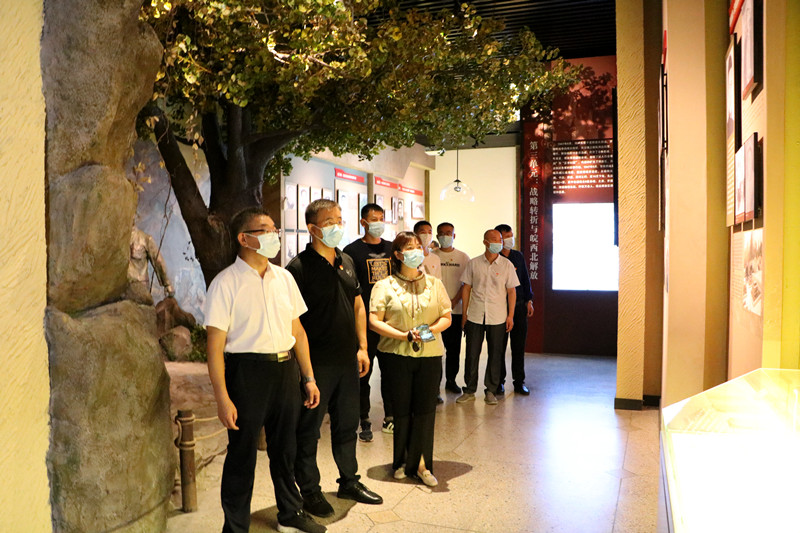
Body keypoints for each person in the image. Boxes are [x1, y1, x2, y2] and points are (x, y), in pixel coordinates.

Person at [204, 207, 324, 533]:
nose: (274, 235)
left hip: (284, 370)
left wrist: (309, 377)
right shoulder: (225, 283)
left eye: (275, 229)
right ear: (244, 239)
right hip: (246, 373)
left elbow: (298, 332)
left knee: (285, 448)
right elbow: (214, 346)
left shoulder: (284, 278)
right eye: (265, 230)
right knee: (242, 454)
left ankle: (290, 512)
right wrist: (222, 398)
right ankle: (235, 526)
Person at [287, 199, 383, 520]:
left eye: (340, 220)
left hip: (347, 361)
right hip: (316, 364)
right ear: (313, 228)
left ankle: (349, 481)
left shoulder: (346, 260)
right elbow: (293, 324)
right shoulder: (298, 269)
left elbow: (358, 304)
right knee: (309, 430)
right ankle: (310, 491)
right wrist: (306, 374)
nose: (337, 226)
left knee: (347, 424)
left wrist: (362, 347)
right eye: (330, 221)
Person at [369, 232, 452, 486]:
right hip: (396, 356)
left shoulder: (435, 284)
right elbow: (374, 321)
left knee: (425, 410)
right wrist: (404, 336)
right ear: (398, 254)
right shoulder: (384, 285)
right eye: (409, 247)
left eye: (418, 246)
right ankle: (402, 462)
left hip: (430, 355)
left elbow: (446, 317)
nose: (416, 251)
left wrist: (424, 333)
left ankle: (423, 465)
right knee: (402, 411)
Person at [342, 203, 395, 441]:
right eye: (374, 219)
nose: (379, 223)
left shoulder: (392, 248)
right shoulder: (352, 251)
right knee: (363, 370)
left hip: (390, 321)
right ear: (363, 222)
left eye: (381, 218)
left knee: (390, 371)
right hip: (364, 321)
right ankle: (363, 417)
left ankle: (390, 415)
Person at [457, 229, 519, 405]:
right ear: (485, 242)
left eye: (500, 240)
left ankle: (491, 390)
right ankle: (469, 390)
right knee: (471, 354)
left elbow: (511, 291)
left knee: (496, 354)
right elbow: (466, 288)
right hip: (475, 315)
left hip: (498, 316)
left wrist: (511, 316)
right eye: (494, 239)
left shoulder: (507, 265)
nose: (498, 243)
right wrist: (464, 314)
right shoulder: (474, 263)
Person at [495, 224, 534, 395]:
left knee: (518, 347)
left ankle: (519, 382)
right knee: (499, 347)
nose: (510, 239)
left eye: (511, 236)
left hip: (518, 307)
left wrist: (529, 300)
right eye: (506, 236)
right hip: (500, 308)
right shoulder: (494, 258)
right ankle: (499, 382)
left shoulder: (518, 256)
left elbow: (525, 279)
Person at [433, 222, 470, 394]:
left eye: (448, 233)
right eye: (441, 233)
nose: (445, 236)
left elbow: (466, 284)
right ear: (437, 236)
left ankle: (451, 380)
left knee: (453, 349)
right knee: (434, 349)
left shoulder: (463, 257)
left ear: (454, 236)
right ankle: (434, 385)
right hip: (434, 313)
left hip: (455, 311)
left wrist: (454, 300)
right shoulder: (431, 256)